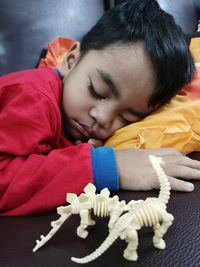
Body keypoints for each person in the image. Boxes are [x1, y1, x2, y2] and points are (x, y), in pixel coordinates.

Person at [0, 0, 200, 216]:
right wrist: (106, 166)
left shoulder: (76, 120)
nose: (103, 118)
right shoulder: (31, 96)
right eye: (96, 91)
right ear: (71, 60)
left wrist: (76, 152)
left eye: (126, 117)